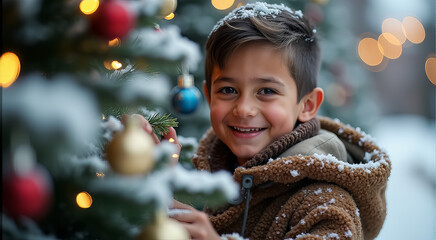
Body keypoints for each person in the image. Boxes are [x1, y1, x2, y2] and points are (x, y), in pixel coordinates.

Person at [129, 2, 391, 239]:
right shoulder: (208, 175)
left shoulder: (325, 204)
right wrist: (158, 175)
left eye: (266, 91)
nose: (244, 109)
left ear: (307, 105)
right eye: (228, 90)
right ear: (209, 95)